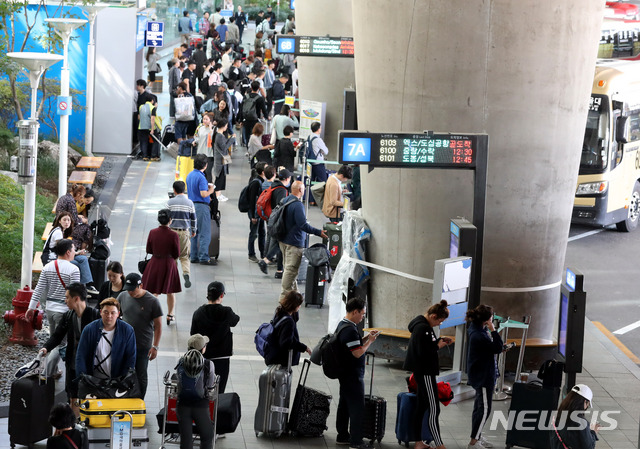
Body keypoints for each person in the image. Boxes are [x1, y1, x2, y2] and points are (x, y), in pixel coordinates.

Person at [40, 283, 100, 416]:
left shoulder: (95, 316)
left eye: (67, 297)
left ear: (76, 298)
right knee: (72, 396)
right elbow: (57, 336)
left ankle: (82, 424)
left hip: (90, 365)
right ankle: (74, 425)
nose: (65, 300)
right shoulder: (68, 316)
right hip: (72, 363)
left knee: (86, 395)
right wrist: (46, 348)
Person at [26, 240, 81, 375]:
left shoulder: (48, 267)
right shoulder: (73, 269)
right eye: (74, 249)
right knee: (61, 344)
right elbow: (75, 293)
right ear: (68, 252)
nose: (75, 252)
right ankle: (47, 372)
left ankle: (54, 370)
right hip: (64, 311)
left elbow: (39, 289)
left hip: (50, 309)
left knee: (53, 340)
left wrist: (31, 307)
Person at [403, 300, 452, 449]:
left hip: (423, 371)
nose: (439, 324)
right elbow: (424, 352)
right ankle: (439, 444)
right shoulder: (422, 328)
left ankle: (419, 442)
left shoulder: (422, 326)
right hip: (425, 373)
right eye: (439, 321)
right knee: (434, 408)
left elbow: (425, 345)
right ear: (433, 316)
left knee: (422, 406)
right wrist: (438, 345)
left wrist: (437, 341)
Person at [334, 298, 380, 449]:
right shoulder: (350, 330)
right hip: (352, 375)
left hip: (345, 374)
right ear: (355, 312)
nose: (363, 317)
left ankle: (342, 436)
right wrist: (370, 342)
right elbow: (358, 353)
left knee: (344, 405)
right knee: (356, 408)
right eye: (362, 314)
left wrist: (366, 337)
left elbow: (353, 344)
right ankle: (356, 441)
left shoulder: (343, 325)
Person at [278, 180, 327, 298]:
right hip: (294, 243)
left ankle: (295, 294)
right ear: (300, 190)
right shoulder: (298, 205)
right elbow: (303, 225)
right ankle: (285, 295)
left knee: (289, 269)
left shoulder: (285, 200)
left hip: (283, 240)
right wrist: (318, 232)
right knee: (291, 270)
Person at [117, 273, 163, 400]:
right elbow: (115, 313)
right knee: (124, 372)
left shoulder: (152, 301)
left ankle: (139, 400)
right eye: (128, 289)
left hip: (143, 345)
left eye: (133, 289)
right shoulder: (122, 296)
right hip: (125, 344)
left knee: (141, 374)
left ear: (141, 285)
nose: (130, 292)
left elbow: (158, 326)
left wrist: (155, 347)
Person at [190, 281, 240, 394]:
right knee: (219, 391)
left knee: (202, 389)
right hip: (222, 358)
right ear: (221, 295)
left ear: (208, 294)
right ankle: (216, 410)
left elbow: (193, 335)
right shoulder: (226, 312)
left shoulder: (198, 313)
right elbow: (235, 320)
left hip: (204, 358)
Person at [465, 305, 504, 449]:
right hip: (483, 377)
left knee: (479, 408)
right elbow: (497, 348)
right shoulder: (479, 334)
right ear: (487, 319)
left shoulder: (477, 329)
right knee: (484, 409)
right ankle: (473, 442)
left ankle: (478, 435)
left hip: (482, 373)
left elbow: (493, 347)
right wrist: (493, 329)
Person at [76, 297, 136, 380]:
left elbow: (130, 357)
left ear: (118, 314)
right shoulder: (89, 329)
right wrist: (82, 378)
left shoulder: (127, 330)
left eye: (113, 313)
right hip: (93, 379)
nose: (109, 316)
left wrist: (124, 379)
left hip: (117, 380)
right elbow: (81, 355)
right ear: (101, 312)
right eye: (106, 312)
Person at [142, 209, 181, 324]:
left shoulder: (152, 232)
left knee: (154, 291)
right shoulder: (174, 235)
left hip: (154, 263)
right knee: (170, 291)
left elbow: (148, 249)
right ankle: (170, 315)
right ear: (170, 220)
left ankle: (150, 314)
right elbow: (177, 253)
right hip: (168, 263)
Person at [44, 212, 96, 292]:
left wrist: (77, 252)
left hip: (60, 255)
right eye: (64, 220)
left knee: (83, 259)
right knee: (77, 264)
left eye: (68, 220)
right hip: (52, 257)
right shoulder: (58, 232)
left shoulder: (63, 231)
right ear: (59, 221)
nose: (67, 222)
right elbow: (62, 250)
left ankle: (86, 285)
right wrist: (77, 253)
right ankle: (79, 289)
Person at [176, 348, 216, 449]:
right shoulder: (208, 364)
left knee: (186, 440)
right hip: (200, 406)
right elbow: (210, 385)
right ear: (203, 349)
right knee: (207, 435)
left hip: (182, 405)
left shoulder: (181, 361)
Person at [258, 168, 291, 279]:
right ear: (287, 179)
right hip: (278, 220)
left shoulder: (274, 185)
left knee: (278, 243)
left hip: (272, 217)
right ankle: (268, 263)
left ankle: (278, 269)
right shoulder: (282, 190)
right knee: (279, 243)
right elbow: (281, 206)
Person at [266, 291, 311, 367]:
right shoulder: (288, 322)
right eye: (299, 305)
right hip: (281, 359)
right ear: (295, 306)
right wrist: (304, 347)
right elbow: (287, 342)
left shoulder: (279, 312)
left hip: (272, 353)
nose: (300, 307)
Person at [166, 180, 197, 289]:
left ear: (174, 190)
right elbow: (193, 218)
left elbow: (166, 218)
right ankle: (186, 273)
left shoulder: (169, 203)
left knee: (173, 256)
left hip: (172, 233)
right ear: (184, 190)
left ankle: (173, 277)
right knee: (184, 256)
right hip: (184, 232)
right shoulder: (190, 203)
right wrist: (194, 230)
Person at [187, 154, 216, 265]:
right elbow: (203, 194)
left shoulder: (190, 175)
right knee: (204, 233)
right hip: (201, 207)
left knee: (193, 232)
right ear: (205, 165)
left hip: (191, 206)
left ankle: (193, 256)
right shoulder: (201, 177)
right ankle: (204, 257)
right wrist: (211, 190)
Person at [550, 384, 598, 449]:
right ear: (585, 402)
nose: (586, 407)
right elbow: (589, 447)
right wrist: (593, 432)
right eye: (588, 405)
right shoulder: (581, 423)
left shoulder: (557, 415)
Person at [212, 118, 236, 202]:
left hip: (221, 160)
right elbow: (224, 147)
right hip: (220, 161)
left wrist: (230, 138)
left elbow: (224, 144)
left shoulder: (219, 135)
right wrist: (232, 139)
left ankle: (219, 193)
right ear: (224, 126)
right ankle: (217, 195)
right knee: (220, 177)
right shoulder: (219, 136)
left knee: (222, 177)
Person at [247, 162, 267, 262]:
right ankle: (251, 253)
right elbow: (252, 200)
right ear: (263, 172)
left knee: (262, 233)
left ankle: (263, 254)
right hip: (255, 213)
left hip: (260, 212)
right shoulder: (256, 182)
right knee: (254, 233)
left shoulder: (261, 181)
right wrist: (252, 216)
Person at [307, 121, 330, 204]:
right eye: (320, 127)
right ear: (318, 129)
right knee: (323, 181)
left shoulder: (309, 137)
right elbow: (326, 151)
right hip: (318, 163)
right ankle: (322, 201)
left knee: (311, 181)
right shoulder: (318, 139)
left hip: (310, 162)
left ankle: (311, 200)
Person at [138, 94, 159, 161]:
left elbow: (139, 117)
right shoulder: (152, 108)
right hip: (150, 127)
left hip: (141, 127)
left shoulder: (141, 107)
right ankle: (153, 156)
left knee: (144, 141)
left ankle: (145, 156)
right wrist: (152, 129)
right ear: (152, 101)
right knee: (155, 141)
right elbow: (152, 119)